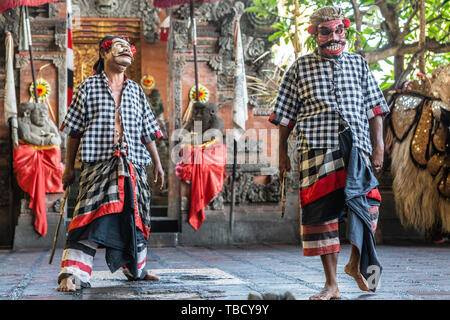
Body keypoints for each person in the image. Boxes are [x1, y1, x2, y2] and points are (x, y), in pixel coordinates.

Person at [269, 6, 389, 300]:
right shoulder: (299, 67)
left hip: (356, 147)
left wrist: (379, 146)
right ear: (315, 34)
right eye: (327, 31)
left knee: (368, 208)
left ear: (345, 31)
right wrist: (282, 154)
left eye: (339, 30)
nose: (334, 37)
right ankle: (331, 284)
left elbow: (375, 109)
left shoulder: (359, 64)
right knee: (322, 215)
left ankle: (354, 264)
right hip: (316, 149)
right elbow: (285, 115)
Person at [57, 35, 164, 292]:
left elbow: (147, 132)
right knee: (88, 217)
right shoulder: (87, 88)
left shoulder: (137, 90)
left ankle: (136, 269)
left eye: (129, 48)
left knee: (134, 216)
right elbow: (74, 131)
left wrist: (158, 165)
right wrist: (68, 167)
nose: (126, 50)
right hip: (98, 165)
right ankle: (71, 273)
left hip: (133, 165)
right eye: (119, 46)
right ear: (104, 54)